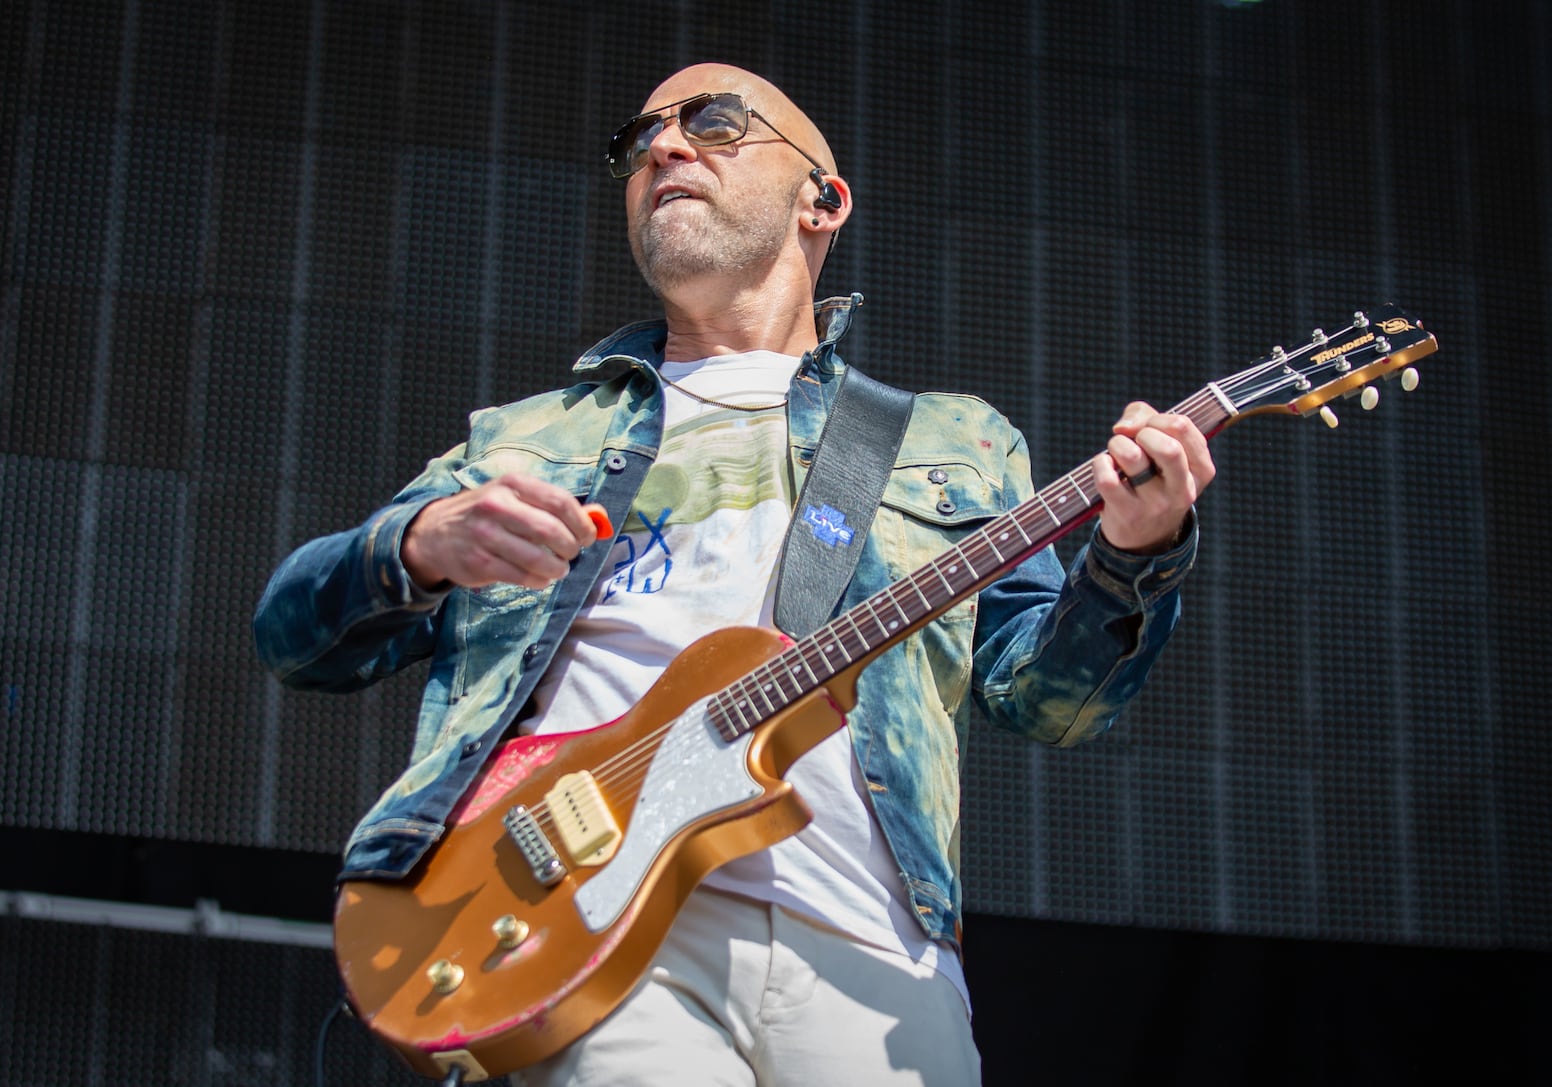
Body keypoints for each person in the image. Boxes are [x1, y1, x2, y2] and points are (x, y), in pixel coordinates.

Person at [254, 63, 1213, 1086]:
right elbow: (292, 637)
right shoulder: (528, 440)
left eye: (713, 123)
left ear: (822, 200)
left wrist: (1134, 551)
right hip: (580, 921)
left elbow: (1050, 701)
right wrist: (419, 543)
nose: (664, 147)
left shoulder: (952, 440)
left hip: (873, 954)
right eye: (642, 138)